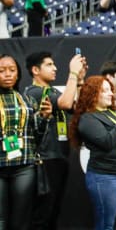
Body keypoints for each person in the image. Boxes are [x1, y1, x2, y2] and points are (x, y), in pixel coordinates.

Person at [69, 76, 116, 230]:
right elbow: (107, 142)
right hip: (105, 177)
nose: (111, 94)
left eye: (110, 90)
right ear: (93, 94)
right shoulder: (87, 119)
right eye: (105, 91)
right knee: (106, 225)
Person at [24, 51, 87, 230]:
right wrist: (73, 73)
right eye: (49, 65)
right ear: (35, 70)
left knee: (53, 211)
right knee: (43, 213)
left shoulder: (51, 91)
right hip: (45, 159)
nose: (55, 68)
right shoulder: (34, 92)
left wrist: (80, 81)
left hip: (59, 156)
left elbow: (78, 109)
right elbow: (66, 103)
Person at [0, 54, 51, 230]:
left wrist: (44, 118)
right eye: (2, 71)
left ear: (18, 74)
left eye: (12, 70)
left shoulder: (27, 101)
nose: (7, 74)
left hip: (24, 166)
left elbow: (38, 136)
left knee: (21, 221)